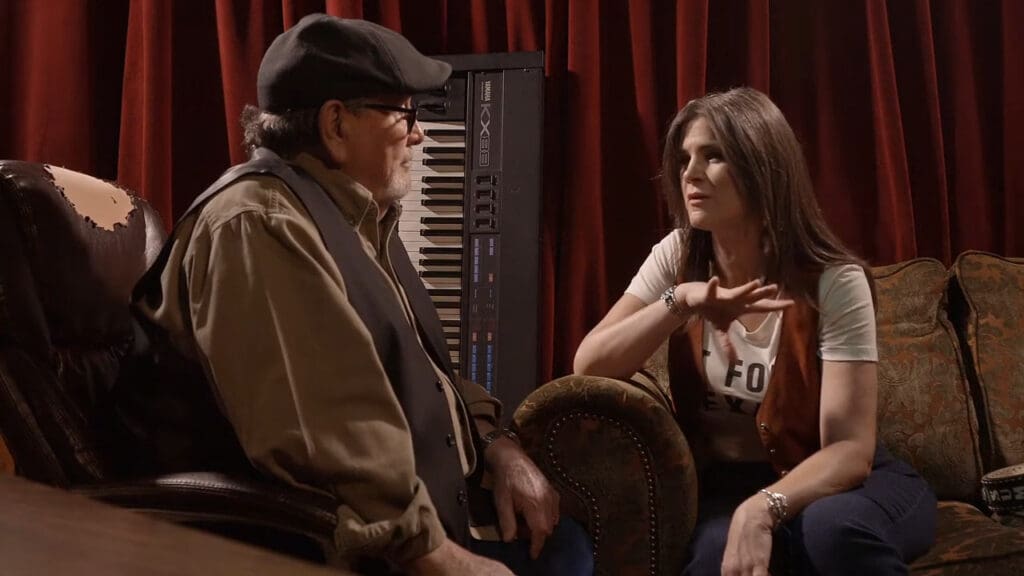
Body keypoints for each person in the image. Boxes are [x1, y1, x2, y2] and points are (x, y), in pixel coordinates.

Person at [120, 13, 592, 576]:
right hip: (353, 547)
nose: (419, 133)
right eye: (404, 114)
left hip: (436, 513)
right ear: (336, 125)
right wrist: (438, 557)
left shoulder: (352, 217)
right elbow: (325, 433)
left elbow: (419, 371)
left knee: (574, 543)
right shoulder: (258, 225)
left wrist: (497, 444)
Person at [572, 87, 936, 575]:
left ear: (762, 167)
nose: (691, 174)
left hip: (837, 482)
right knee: (711, 560)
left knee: (832, 533)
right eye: (684, 159)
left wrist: (762, 508)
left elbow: (849, 451)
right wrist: (680, 301)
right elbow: (590, 364)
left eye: (714, 156)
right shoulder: (677, 255)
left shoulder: (832, 279)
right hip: (727, 483)